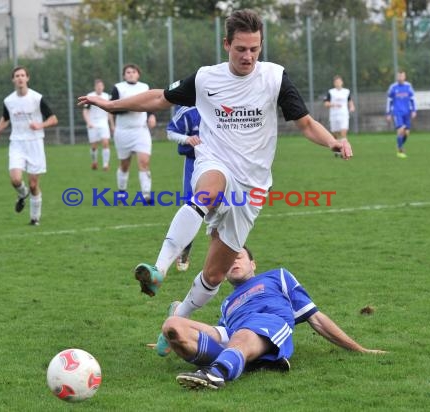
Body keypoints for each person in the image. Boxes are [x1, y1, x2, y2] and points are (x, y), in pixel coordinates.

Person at [78, 10, 352, 315]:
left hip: (254, 185)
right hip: (214, 161)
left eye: (254, 49)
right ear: (226, 44)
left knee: (214, 274)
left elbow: (305, 123)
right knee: (207, 193)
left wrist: (333, 141)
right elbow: (159, 98)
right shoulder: (206, 78)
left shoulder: (274, 77)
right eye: (241, 49)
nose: (248, 56)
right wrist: (111, 105)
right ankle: (158, 269)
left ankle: (175, 322)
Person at [156, 247, 386, 390]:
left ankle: (217, 375)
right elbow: (224, 334)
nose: (233, 262)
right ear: (224, 274)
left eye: (239, 257)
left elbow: (316, 318)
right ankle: (252, 363)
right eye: (228, 262)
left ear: (252, 264)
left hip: (269, 323)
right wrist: (177, 337)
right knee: (172, 326)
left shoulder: (278, 277)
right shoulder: (228, 303)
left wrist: (359, 349)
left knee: (245, 332)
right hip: (238, 336)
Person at [0, 66, 58, 226]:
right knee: (15, 180)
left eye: (22, 75)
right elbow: (6, 118)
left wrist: (40, 125)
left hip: (35, 143)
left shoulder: (37, 98)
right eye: (17, 76)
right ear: (13, 80)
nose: (20, 78)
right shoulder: (9, 100)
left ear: (27, 78)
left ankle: (35, 219)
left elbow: (54, 119)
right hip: (17, 143)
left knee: (34, 184)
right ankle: (22, 194)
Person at [110, 64, 157, 203]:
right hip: (123, 131)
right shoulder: (118, 88)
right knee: (124, 165)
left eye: (133, 72)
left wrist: (152, 115)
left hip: (140, 130)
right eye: (128, 72)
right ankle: (121, 192)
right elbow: (112, 108)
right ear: (124, 75)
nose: (131, 74)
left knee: (144, 162)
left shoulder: (144, 87)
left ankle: (146, 195)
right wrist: (129, 107)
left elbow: (151, 103)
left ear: (138, 74)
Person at [166, 105, 202, 271]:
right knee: (192, 208)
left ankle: (228, 260)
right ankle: (184, 252)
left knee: (225, 209)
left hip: (222, 162)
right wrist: (187, 139)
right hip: (193, 163)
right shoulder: (189, 111)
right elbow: (170, 132)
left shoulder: (225, 103)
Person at [82, 78, 115, 171]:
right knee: (94, 146)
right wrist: (88, 122)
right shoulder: (90, 96)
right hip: (92, 124)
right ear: (95, 87)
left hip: (103, 123)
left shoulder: (107, 97)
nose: (99, 88)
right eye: (98, 86)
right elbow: (85, 111)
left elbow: (109, 112)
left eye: (101, 86)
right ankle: (94, 161)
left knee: (105, 143)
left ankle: (105, 165)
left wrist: (112, 125)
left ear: (103, 87)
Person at [386, 70, 416, 159]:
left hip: (407, 112)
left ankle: (399, 144)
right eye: (399, 76)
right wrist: (388, 113)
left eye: (402, 76)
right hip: (397, 112)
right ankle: (400, 150)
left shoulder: (408, 86)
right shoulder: (393, 87)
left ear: (405, 77)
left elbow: (413, 99)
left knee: (407, 133)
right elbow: (389, 101)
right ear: (397, 77)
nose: (400, 78)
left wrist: (414, 110)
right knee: (401, 130)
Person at [323, 75, 355, 157]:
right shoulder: (331, 92)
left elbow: (350, 101)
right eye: (336, 82)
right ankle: (337, 149)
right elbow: (326, 103)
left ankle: (345, 151)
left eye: (339, 82)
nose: (338, 83)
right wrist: (333, 104)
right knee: (335, 134)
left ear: (342, 82)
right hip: (334, 115)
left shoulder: (346, 91)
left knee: (343, 133)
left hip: (344, 115)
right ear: (334, 83)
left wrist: (352, 107)